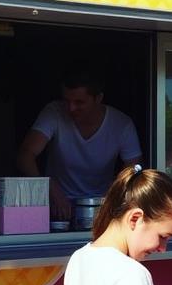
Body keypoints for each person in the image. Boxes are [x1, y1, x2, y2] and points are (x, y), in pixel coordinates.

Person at [17, 70, 141, 221]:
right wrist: (50, 189)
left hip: (101, 206)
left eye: (79, 102)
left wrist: (112, 200)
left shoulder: (121, 124)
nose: (71, 108)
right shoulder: (54, 112)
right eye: (66, 101)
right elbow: (26, 155)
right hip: (57, 207)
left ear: (98, 99)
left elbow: (134, 169)